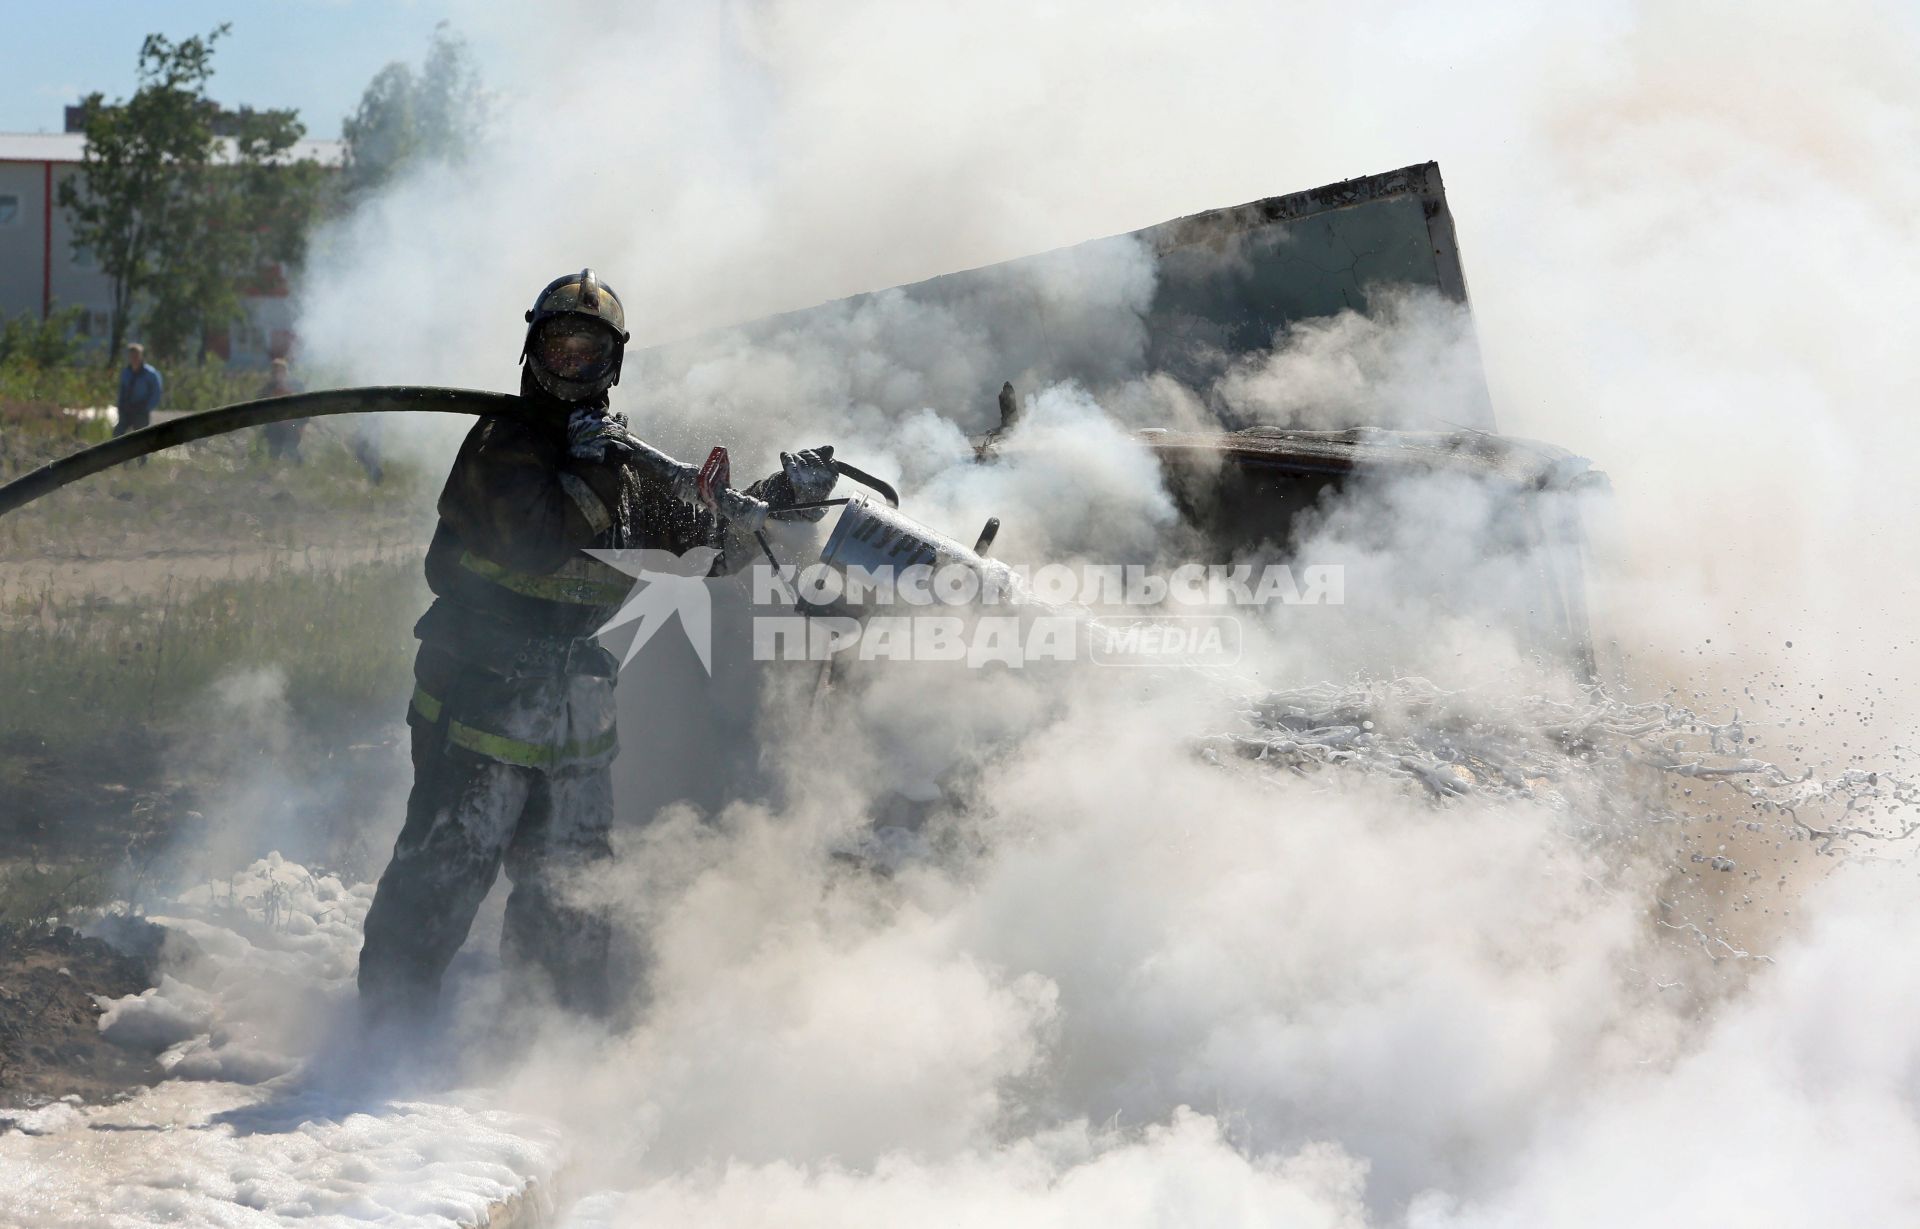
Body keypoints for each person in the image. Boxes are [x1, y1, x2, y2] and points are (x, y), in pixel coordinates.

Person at [356, 269, 835, 1024]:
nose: (571, 366)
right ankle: (377, 1047)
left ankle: (547, 1052)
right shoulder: (500, 446)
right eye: (559, 347)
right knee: (446, 866)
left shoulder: (615, 458)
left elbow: (701, 546)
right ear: (532, 351)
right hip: (481, 691)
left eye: (588, 353)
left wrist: (782, 503)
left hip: (576, 714)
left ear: (612, 362)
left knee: (571, 890)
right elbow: (539, 543)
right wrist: (593, 467)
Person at [257, 358, 307, 462]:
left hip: (292, 424)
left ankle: (300, 468)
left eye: (280, 371)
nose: (277, 374)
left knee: (291, 449)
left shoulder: (296, 386)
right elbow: (259, 407)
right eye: (275, 371)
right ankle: (273, 473)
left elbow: (305, 407)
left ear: (285, 372)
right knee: (274, 451)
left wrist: (301, 425)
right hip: (274, 425)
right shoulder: (267, 388)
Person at [113, 344, 163, 439]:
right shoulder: (126, 372)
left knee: (141, 438)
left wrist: (147, 408)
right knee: (118, 434)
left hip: (141, 409)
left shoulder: (150, 373)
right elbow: (122, 391)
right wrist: (120, 406)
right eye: (132, 356)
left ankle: (143, 454)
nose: (134, 359)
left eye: (136, 356)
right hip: (126, 409)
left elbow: (156, 392)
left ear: (141, 356)